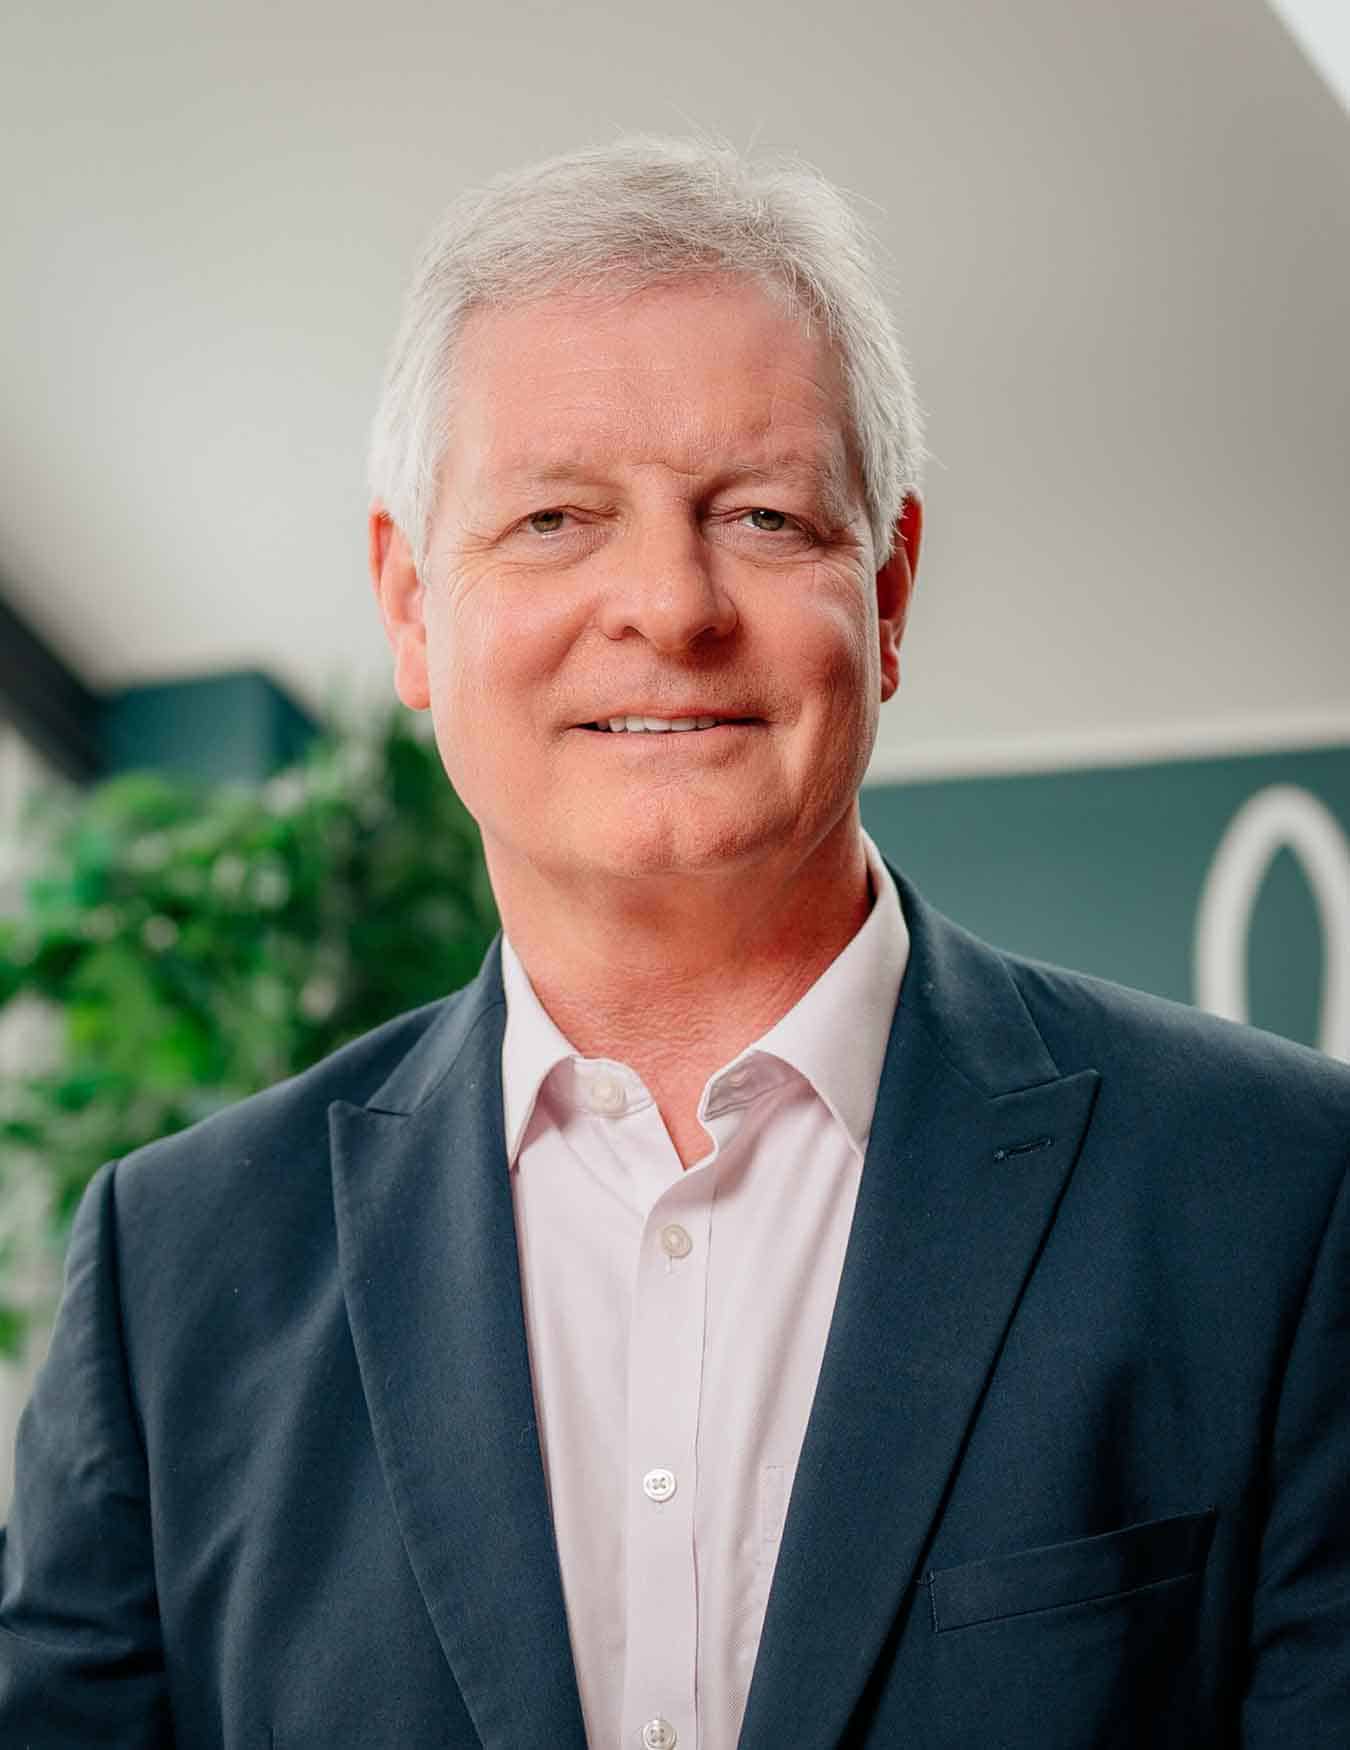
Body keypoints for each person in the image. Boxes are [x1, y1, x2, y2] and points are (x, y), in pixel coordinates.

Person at [1, 135, 1347, 1750]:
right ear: (412, 606)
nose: (668, 603)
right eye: (554, 517)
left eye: (763, 516)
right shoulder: (177, 1270)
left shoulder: (1278, 1195)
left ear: (888, 592)